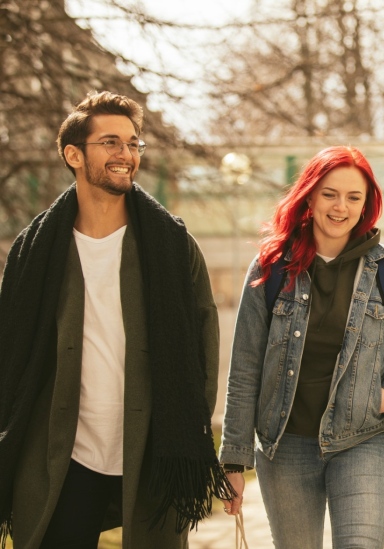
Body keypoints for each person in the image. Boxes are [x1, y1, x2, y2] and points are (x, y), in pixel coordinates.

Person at [0, 91, 229, 549]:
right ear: (73, 154)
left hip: (151, 448)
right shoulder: (35, 249)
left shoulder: (171, 244)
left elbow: (203, 344)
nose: (126, 154)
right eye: (110, 142)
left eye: (133, 143)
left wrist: (188, 428)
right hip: (61, 454)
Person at [218, 145, 384, 549]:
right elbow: (244, 367)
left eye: (354, 197)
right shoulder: (271, 267)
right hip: (286, 446)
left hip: (363, 440)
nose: (340, 207)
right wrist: (233, 458)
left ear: (366, 205)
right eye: (330, 193)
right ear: (310, 197)